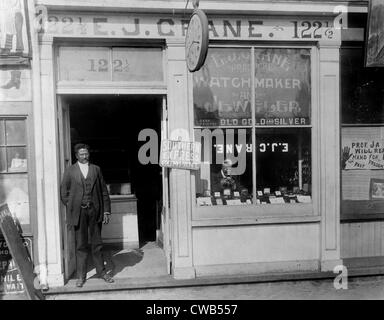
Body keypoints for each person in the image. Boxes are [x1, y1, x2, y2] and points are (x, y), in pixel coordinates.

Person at [60, 143, 114, 288]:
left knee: (97, 244)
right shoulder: (70, 171)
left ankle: (102, 273)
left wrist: (106, 210)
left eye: (86, 153)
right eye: (81, 154)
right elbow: (64, 192)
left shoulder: (96, 169)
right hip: (79, 213)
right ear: (76, 156)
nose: (85, 156)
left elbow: (103, 192)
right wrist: (72, 206)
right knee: (81, 245)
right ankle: (81, 276)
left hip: (94, 211)